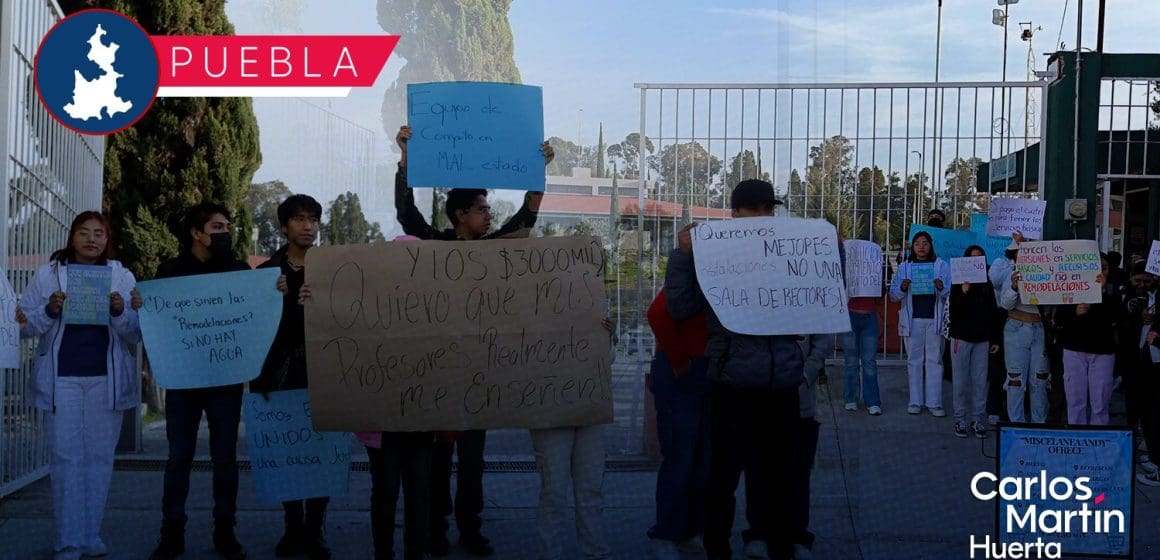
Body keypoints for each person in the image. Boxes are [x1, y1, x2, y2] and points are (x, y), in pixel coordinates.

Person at [394, 124, 554, 557]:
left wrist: (538, 170)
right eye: (482, 209)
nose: (489, 215)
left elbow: (525, 220)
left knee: (472, 460)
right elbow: (406, 212)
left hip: (478, 374)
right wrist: (406, 158)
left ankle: (470, 528)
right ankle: (435, 528)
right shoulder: (433, 245)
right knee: (438, 460)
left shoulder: (495, 249)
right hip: (438, 372)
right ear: (461, 214)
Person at [665, 179, 804, 560]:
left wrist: (826, 255)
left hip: (783, 383)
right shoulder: (712, 255)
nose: (764, 217)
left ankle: (776, 543)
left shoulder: (789, 250)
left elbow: (818, 305)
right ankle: (717, 547)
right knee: (722, 475)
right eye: (755, 209)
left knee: (779, 475)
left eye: (769, 209)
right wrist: (682, 256)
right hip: (733, 384)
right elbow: (679, 308)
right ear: (734, 214)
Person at [17, 212, 142, 560]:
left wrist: (119, 311)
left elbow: (135, 331)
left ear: (107, 239)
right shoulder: (48, 274)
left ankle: (90, 535)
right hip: (62, 380)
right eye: (83, 233)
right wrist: (49, 309)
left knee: (100, 458)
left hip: (106, 380)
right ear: (71, 238)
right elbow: (24, 325)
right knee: (65, 457)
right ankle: (68, 540)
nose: (91, 239)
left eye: (99, 233)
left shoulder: (121, 274)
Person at [149, 203, 257, 560]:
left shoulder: (240, 271)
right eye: (216, 227)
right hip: (183, 381)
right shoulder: (170, 272)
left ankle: (225, 532)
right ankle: (171, 533)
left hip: (225, 381)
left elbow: (254, 312)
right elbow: (157, 320)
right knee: (179, 457)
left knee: (225, 458)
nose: (224, 233)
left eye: (227, 226)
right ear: (196, 233)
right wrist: (140, 303)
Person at [248, 195, 332, 559]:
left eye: (313, 219)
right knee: (286, 452)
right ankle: (292, 527)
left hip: (324, 374)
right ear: (284, 226)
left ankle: (315, 531)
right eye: (299, 219)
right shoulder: (267, 272)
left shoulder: (332, 270)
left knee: (322, 454)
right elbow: (253, 330)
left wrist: (322, 302)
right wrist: (275, 300)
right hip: (280, 375)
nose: (308, 226)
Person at [350, 234, 436, 560]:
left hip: (421, 418)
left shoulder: (435, 303)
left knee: (418, 492)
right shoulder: (365, 300)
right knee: (385, 492)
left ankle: (415, 553)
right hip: (381, 424)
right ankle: (383, 554)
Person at [530, 317, 616, 560]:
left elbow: (607, 361)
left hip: (588, 411)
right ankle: (551, 554)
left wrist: (607, 337)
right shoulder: (531, 310)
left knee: (590, 490)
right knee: (554, 493)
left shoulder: (590, 304)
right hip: (550, 413)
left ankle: (596, 553)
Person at [645, 289, 710, 560]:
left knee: (702, 459)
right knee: (681, 457)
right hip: (683, 369)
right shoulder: (690, 270)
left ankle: (689, 531)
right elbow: (657, 313)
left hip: (705, 368)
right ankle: (667, 534)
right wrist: (680, 359)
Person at [889, 231, 951, 416]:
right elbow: (893, 295)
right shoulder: (905, 267)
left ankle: (934, 403)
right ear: (912, 247)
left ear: (930, 245)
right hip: (913, 320)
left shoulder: (941, 266)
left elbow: (949, 294)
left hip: (934, 319)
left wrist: (941, 288)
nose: (921, 247)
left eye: (925, 243)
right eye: (917, 243)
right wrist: (902, 287)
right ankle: (915, 401)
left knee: (934, 360)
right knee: (914, 361)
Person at [1055, 254, 1117, 426]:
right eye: (1097, 268)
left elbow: (1117, 316)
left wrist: (1102, 293)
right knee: (1075, 400)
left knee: (1101, 401)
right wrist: (1075, 312)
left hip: (1102, 351)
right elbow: (1059, 318)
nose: (1101, 272)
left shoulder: (1114, 290)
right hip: (1074, 349)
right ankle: (1077, 438)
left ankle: (1097, 438)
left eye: (1105, 268)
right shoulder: (1072, 287)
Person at [948, 246, 1002, 438]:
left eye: (979, 258)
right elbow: (954, 311)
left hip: (982, 339)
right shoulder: (957, 283)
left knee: (980, 381)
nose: (975, 262)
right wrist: (963, 293)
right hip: (961, 337)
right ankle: (960, 419)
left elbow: (993, 312)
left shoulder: (987, 284)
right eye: (972, 258)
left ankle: (977, 419)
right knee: (961, 380)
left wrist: (995, 338)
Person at [998, 238, 1050, 424]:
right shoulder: (1011, 275)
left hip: (1040, 329)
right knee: (1015, 379)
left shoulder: (1048, 273)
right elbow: (1005, 304)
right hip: (1016, 328)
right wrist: (1013, 286)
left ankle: (1039, 423)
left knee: (1040, 379)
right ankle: (1016, 424)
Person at [842, 262, 883, 416]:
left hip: (869, 317)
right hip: (849, 316)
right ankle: (851, 398)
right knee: (851, 361)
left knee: (869, 361)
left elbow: (881, 295)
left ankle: (872, 401)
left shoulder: (876, 266)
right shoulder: (845, 266)